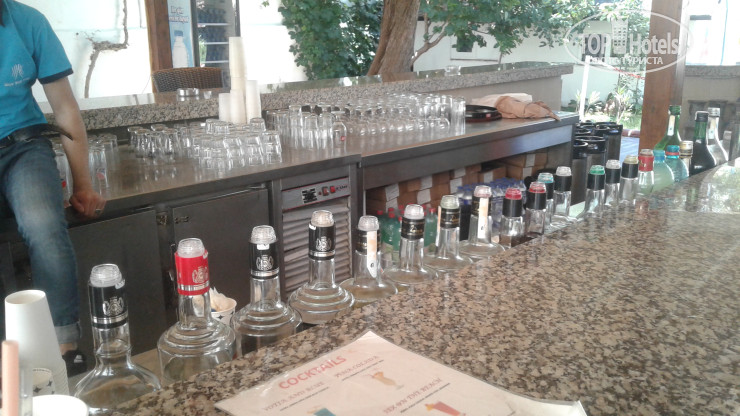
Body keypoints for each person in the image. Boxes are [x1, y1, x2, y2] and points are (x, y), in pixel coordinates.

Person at [0, 0, 106, 375]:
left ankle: (63, 349)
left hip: (23, 146)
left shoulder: (28, 22)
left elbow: (64, 108)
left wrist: (83, 183)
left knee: (44, 225)